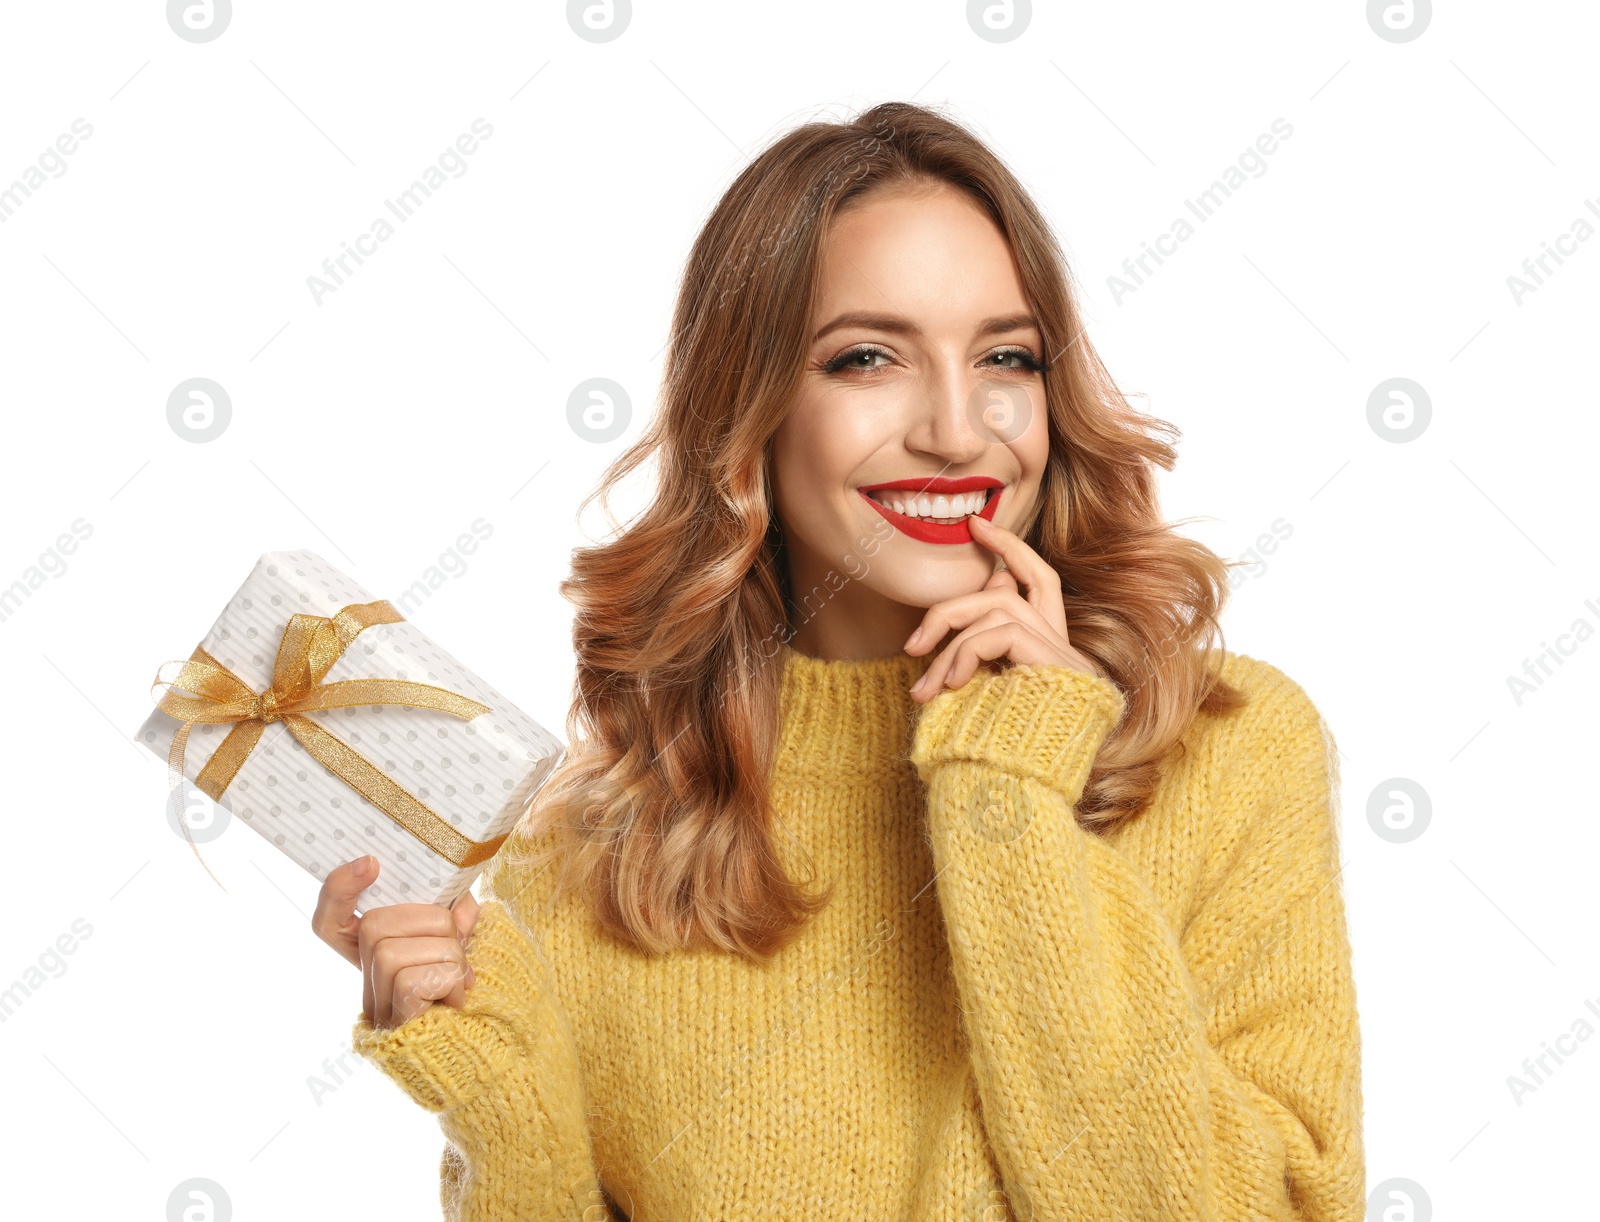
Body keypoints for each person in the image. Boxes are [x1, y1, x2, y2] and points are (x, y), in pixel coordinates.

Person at [312, 100, 1364, 1221]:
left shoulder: (1227, 747)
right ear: (748, 408)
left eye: (1004, 356)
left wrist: (1006, 783)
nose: (959, 431)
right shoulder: (592, 855)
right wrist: (501, 1101)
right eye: (867, 358)